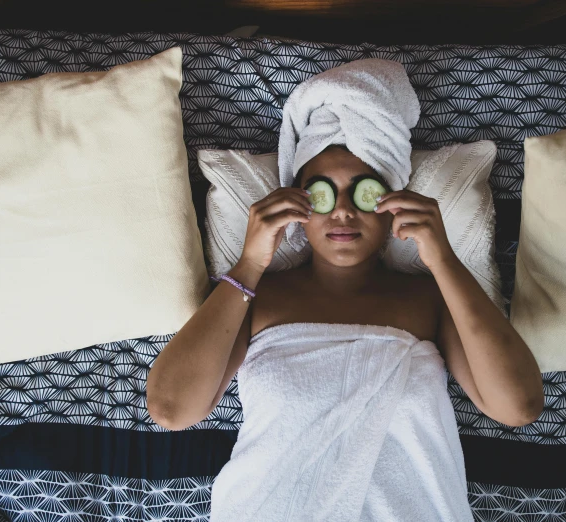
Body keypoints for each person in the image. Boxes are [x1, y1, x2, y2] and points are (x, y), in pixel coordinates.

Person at [147, 143, 544, 520]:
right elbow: (171, 409)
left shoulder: (430, 298)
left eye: (363, 194)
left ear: (392, 207)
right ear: (297, 206)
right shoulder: (255, 296)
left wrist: (442, 258)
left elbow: (518, 406)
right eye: (321, 193)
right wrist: (250, 262)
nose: (341, 211)